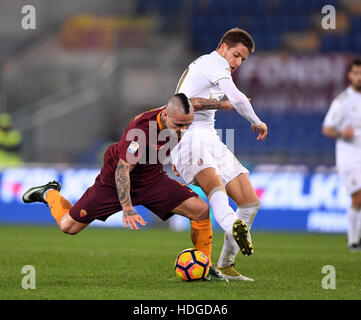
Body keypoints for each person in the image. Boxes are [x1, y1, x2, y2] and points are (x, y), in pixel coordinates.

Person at [22, 93, 235, 278]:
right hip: (114, 183)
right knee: (68, 226)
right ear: (165, 115)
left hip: (152, 179)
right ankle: (49, 192)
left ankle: (205, 267)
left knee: (201, 210)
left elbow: (194, 102)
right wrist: (128, 209)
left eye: (188, 125)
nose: (183, 130)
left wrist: (222, 105)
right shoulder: (140, 132)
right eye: (180, 125)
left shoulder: (177, 114)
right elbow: (122, 171)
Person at [171, 28, 268, 281]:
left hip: (210, 138)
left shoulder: (210, 69)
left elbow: (191, 100)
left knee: (249, 202)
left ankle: (226, 265)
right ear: (223, 47)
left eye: (243, 60)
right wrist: (256, 121)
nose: (237, 63)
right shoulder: (213, 63)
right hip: (190, 138)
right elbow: (235, 97)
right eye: (236, 55)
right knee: (216, 187)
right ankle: (231, 224)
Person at [322, 58, 361, 251]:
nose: (359, 77)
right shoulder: (342, 101)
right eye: (356, 73)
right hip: (349, 156)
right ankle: (353, 240)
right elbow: (327, 129)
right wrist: (342, 133)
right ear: (350, 75)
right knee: (358, 197)